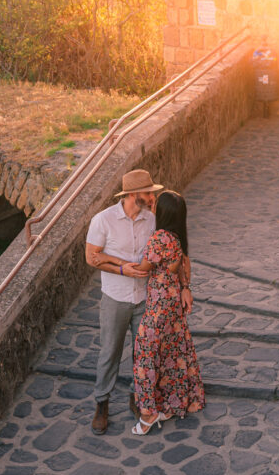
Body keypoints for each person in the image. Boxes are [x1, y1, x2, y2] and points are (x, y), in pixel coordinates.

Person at [84, 169, 162, 435]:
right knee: (109, 353)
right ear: (131, 195)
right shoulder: (103, 220)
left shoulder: (151, 220)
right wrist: (121, 269)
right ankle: (102, 403)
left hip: (144, 296)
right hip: (115, 297)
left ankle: (136, 396)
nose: (152, 197)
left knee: (142, 354)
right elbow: (91, 257)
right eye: (148, 193)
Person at [123, 190, 204, 435]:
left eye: (156, 203)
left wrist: (113, 263)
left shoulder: (159, 237)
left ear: (164, 212)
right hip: (173, 305)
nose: (152, 204)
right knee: (171, 352)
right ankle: (171, 404)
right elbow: (184, 264)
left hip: (158, 306)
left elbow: (144, 268)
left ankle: (148, 414)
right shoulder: (178, 238)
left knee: (145, 354)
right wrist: (186, 288)